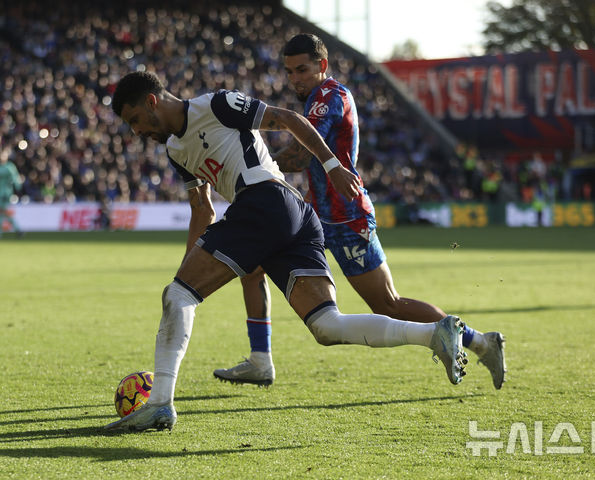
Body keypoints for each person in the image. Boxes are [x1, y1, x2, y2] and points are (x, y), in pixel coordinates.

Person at [104, 71, 468, 432]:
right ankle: (434, 334)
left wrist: (332, 166)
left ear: (152, 102)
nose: (137, 131)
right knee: (327, 326)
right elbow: (202, 209)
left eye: (135, 120)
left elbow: (287, 119)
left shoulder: (215, 104)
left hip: (265, 201)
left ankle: (160, 405)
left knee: (178, 296)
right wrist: (187, 269)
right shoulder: (175, 150)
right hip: (292, 216)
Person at [212, 34, 506, 390]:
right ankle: (260, 361)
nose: (295, 79)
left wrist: (251, 167)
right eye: (289, 72)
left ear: (322, 65)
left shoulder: (329, 97)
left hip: (346, 218)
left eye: (302, 70)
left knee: (389, 305)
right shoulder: (318, 100)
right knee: (252, 266)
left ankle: (478, 342)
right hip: (316, 217)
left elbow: (301, 155)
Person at [0, 152, 23, 238]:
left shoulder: (9, 167)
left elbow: (15, 177)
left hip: (7, 192)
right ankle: (17, 230)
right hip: (0, 192)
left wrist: (18, 186)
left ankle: (0, 233)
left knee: (2, 212)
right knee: (2, 213)